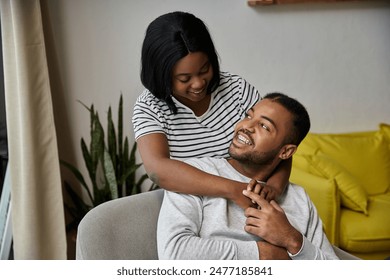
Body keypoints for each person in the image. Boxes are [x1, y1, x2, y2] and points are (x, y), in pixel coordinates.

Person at [132, 11, 291, 208]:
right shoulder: (149, 107)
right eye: (184, 79)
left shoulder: (237, 89)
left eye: (205, 69)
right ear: (161, 74)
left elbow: (280, 145)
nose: (199, 84)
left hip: (253, 203)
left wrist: (275, 188)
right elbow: (158, 170)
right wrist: (234, 190)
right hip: (195, 209)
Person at [157, 92, 339, 260]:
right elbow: (174, 253)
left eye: (264, 126)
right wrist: (264, 254)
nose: (246, 126)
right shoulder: (193, 175)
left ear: (285, 152)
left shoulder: (298, 198)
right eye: (248, 116)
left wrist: (292, 240)